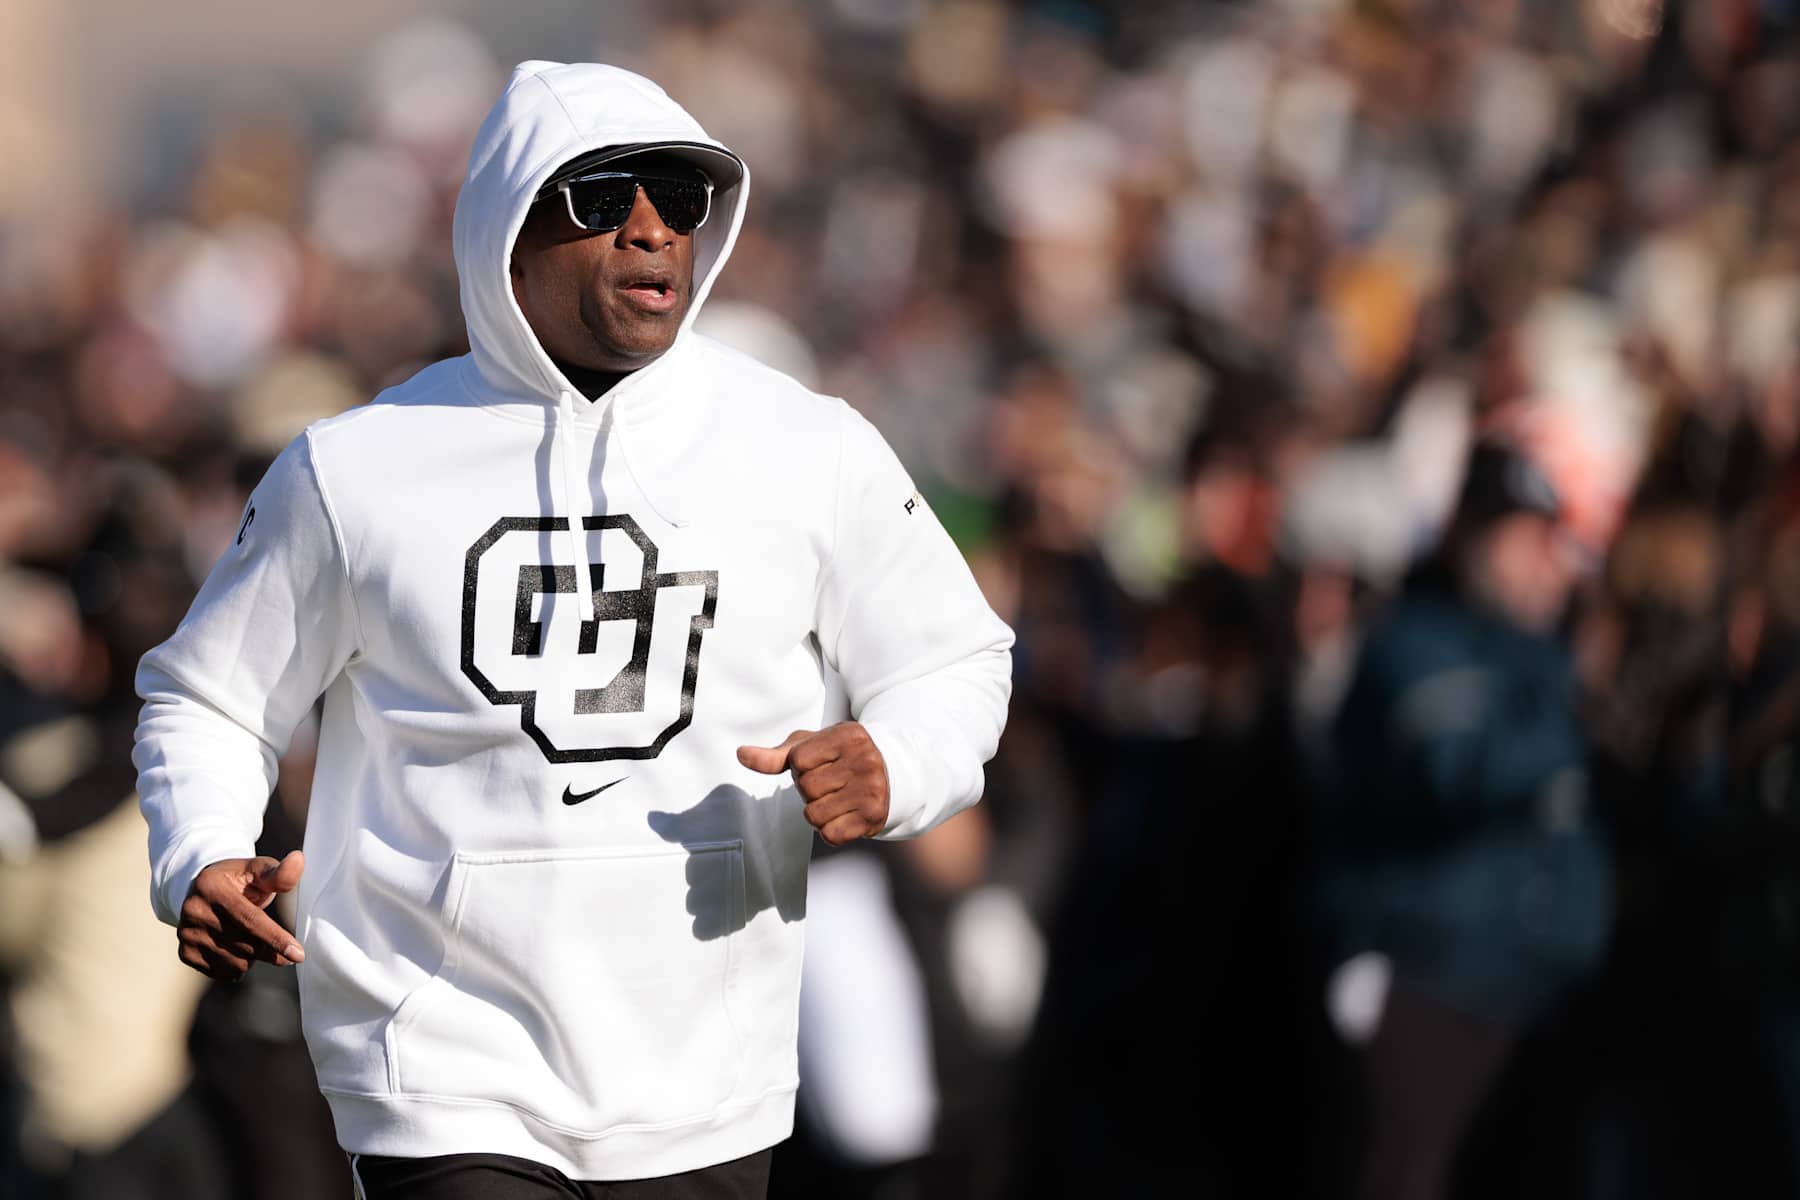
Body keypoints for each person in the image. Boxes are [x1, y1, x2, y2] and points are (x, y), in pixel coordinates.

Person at [132, 60, 1014, 1200]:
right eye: (601, 196)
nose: (651, 231)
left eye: (680, 200)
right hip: (440, 1074)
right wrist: (199, 848)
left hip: (706, 1076)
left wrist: (899, 760)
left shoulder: (811, 445)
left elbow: (954, 657)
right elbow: (210, 696)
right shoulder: (353, 470)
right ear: (506, 224)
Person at [1313, 438, 1612, 1200]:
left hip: (1531, 983)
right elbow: (1454, 768)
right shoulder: (1415, 638)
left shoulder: (1545, 652)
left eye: (1549, 540)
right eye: (1519, 538)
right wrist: (1573, 705)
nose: (1543, 562)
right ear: (1469, 537)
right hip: (1429, 977)